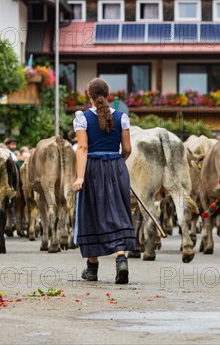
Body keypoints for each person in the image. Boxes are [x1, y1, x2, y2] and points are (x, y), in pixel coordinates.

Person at [72, 77, 136, 284]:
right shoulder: (121, 117)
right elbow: (127, 150)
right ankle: (121, 260)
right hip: (117, 167)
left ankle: (92, 269)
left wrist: (80, 176)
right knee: (118, 212)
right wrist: (116, 163)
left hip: (93, 168)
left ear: (88, 94)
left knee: (92, 212)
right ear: (108, 95)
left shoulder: (82, 118)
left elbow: (82, 148)